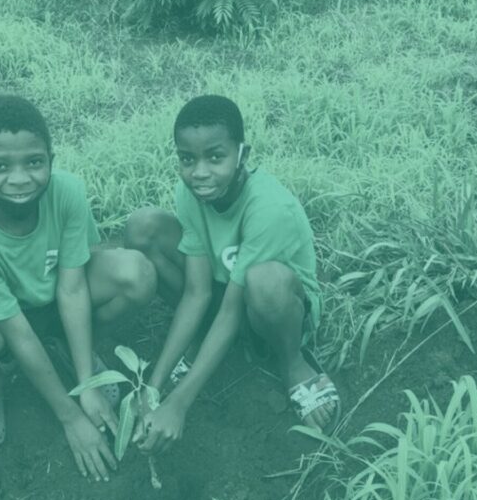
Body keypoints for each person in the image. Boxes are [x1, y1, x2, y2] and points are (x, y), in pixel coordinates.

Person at [0, 94, 156, 482]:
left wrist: (87, 384)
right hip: (2, 324)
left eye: (34, 162)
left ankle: (77, 352)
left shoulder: (66, 192)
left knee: (135, 273)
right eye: (0, 166)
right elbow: (17, 331)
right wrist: (71, 417)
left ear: (51, 160)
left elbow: (72, 289)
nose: (20, 179)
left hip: (56, 300)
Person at [124, 94, 340, 455]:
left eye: (215, 157)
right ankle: (206, 346)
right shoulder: (191, 192)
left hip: (270, 308)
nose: (200, 172)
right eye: (187, 159)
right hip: (222, 289)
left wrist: (178, 403)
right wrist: (153, 389)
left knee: (265, 282)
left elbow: (231, 310)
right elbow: (196, 293)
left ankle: (292, 364)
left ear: (243, 155)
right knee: (143, 226)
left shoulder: (269, 209)